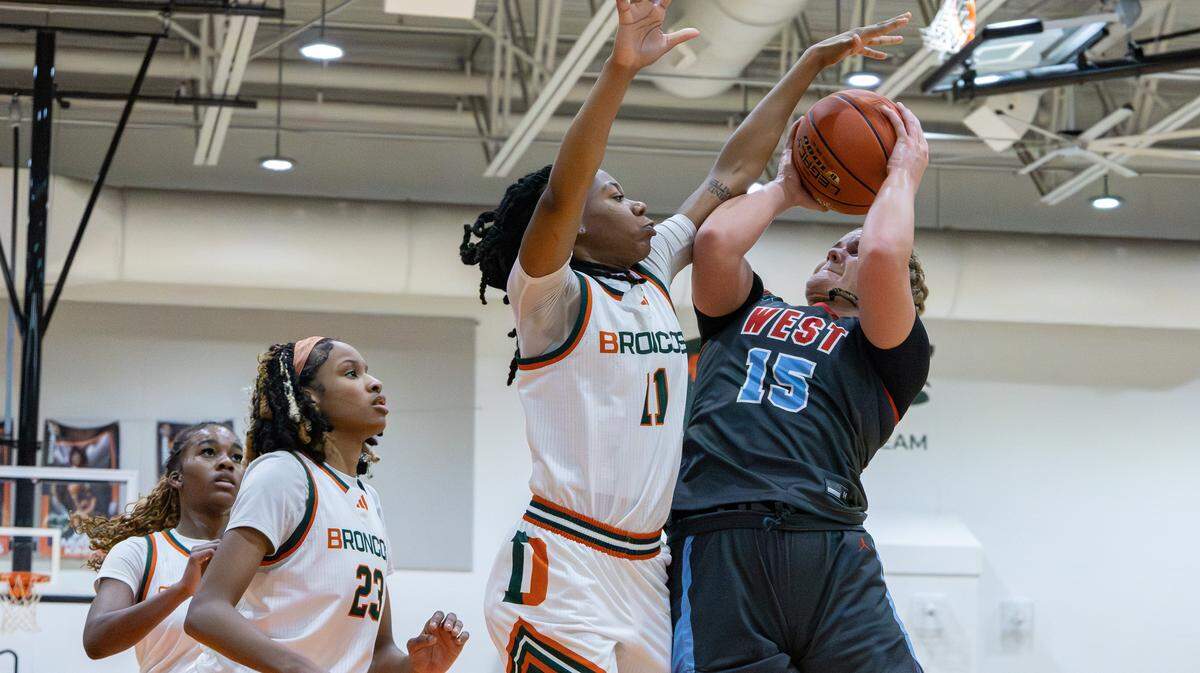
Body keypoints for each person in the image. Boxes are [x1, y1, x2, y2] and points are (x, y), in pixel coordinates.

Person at [459, 0, 911, 669]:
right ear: (573, 230)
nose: (639, 203)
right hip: (566, 557)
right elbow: (561, 193)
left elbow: (726, 179)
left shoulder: (648, 268)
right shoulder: (550, 298)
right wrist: (620, 70)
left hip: (647, 563)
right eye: (613, 197)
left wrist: (808, 67)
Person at [667, 101, 932, 673]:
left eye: (852, 248)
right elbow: (715, 244)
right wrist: (788, 185)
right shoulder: (744, 311)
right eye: (835, 244)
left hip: (828, 541)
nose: (838, 249)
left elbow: (887, 252)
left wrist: (903, 175)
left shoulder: (891, 352)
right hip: (720, 539)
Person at [184, 337, 467, 673]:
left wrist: (419, 667)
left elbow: (377, 655)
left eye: (368, 372)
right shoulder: (284, 474)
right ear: (309, 398)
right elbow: (206, 612)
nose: (374, 382)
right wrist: (299, 668)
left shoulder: (368, 501)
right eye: (351, 374)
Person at [78, 423, 245, 673]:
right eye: (209, 452)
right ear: (177, 478)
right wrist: (181, 591)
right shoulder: (140, 552)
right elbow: (96, 641)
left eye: (237, 457)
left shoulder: (260, 553)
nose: (227, 463)